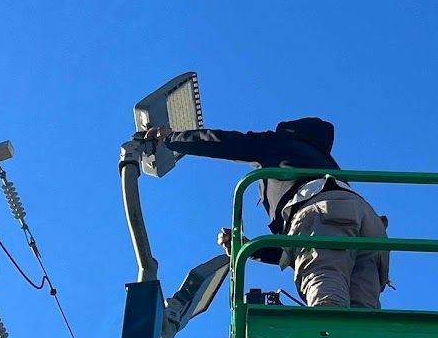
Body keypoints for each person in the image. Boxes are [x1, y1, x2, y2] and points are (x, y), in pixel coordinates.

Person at [144, 118, 390, 309]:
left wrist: (172, 138)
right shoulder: (323, 163)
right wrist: (250, 248)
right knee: (362, 310)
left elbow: (229, 142)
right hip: (371, 227)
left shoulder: (281, 144)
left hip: (321, 210)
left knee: (325, 279)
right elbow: (291, 249)